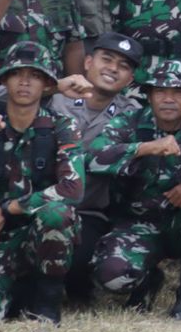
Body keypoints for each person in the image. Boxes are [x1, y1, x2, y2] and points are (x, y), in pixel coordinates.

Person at [0, 41, 85, 326]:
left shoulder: (62, 125)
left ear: (47, 84)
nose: (25, 82)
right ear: (4, 80)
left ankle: (47, 303)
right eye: (17, 74)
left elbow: (72, 189)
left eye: (35, 76)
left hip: (40, 234)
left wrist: (7, 208)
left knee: (57, 213)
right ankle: (18, 293)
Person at [88, 59, 181, 320]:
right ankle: (147, 279)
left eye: (178, 93)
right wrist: (145, 148)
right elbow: (93, 157)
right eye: (160, 91)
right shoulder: (130, 122)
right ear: (149, 96)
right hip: (137, 223)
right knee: (112, 277)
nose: (168, 99)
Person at [53, 32, 144, 309]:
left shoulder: (133, 113)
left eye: (123, 66)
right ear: (88, 62)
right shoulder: (55, 98)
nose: (113, 69)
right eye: (107, 59)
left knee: (78, 261)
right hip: (42, 203)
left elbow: (174, 114)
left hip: (88, 211)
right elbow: (0, 97)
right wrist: (52, 86)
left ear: (130, 79)